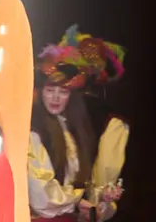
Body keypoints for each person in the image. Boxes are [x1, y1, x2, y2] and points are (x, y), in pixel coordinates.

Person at [28, 26, 130, 221]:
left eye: (63, 92)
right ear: (41, 92)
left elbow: (90, 206)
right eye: (50, 90)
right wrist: (78, 200)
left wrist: (103, 198)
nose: (56, 98)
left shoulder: (73, 130)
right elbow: (42, 197)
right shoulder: (34, 129)